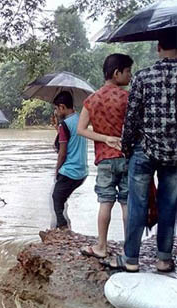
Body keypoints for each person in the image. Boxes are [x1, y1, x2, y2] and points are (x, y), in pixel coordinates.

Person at [107, 33, 177, 273]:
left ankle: (131, 260)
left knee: (137, 204)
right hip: (175, 153)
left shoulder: (142, 77)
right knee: (169, 205)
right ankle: (164, 259)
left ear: (159, 47)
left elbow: (132, 118)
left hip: (144, 149)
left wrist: (126, 148)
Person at [77, 54, 134, 259]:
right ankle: (130, 248)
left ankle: (101, 246)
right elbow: (134, 128)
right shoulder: (127, 98)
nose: (130, 75)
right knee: (127, 202)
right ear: (116, 73)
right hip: (126, 156)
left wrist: (104, 138)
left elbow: (81, 129)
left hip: (104, 159)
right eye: (127, 71)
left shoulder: (91, 100)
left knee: (105, 202)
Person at [51, 91, 88, 230]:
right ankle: (57, 228)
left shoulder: (64, 125)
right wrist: (58, 128)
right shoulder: (80, 119)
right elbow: (71, 140)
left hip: (70, 170)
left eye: (56, 108)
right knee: (61, 199)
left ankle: (63, 228)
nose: (55, 111)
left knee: (56, 197)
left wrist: (57, 170)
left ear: (62, 107)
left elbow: (62, 153)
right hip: (82, 171)